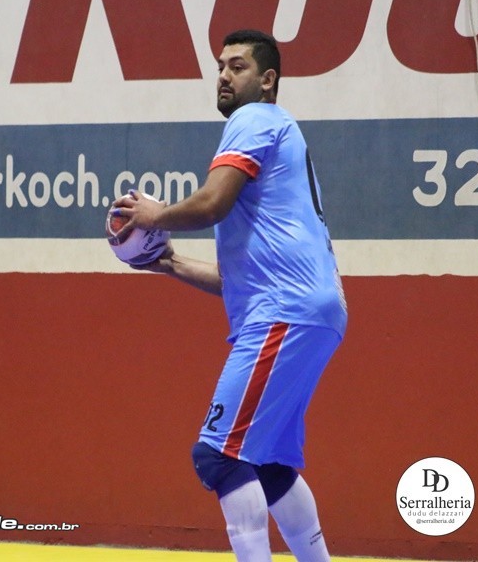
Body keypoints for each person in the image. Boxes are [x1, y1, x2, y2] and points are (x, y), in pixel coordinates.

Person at [112, 29, 347, 562]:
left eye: (237, 66)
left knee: (217, 456)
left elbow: (212, 204)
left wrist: (155, 216)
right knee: (269, 465)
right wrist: (167, 262)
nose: (223, 75)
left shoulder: (254, 119)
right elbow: (236, 280)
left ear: (267, 80)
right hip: (312, 311)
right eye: (220, 66)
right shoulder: (281, 133)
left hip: (284, 312)